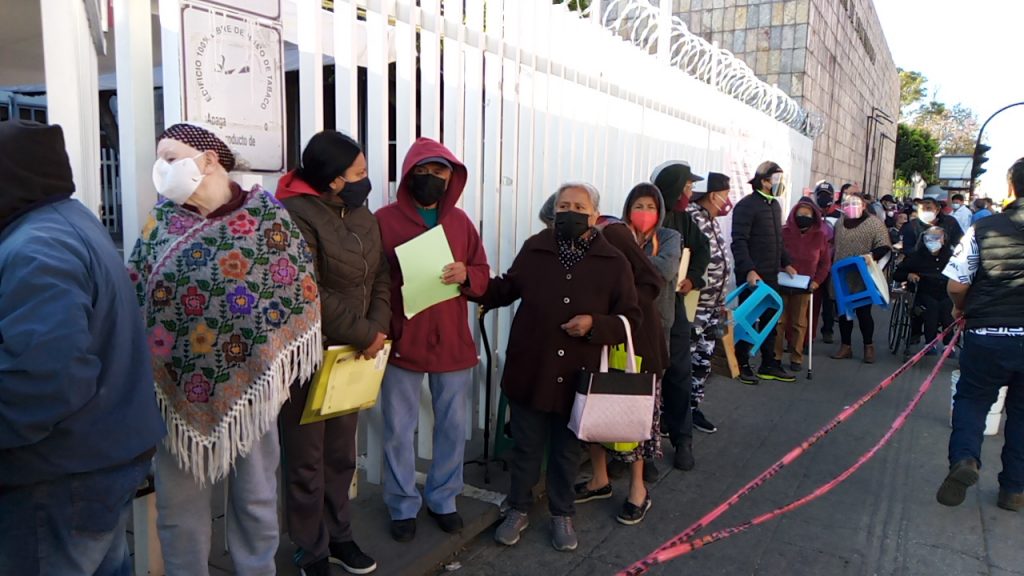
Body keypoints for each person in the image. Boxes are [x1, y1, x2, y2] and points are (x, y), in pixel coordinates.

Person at [128, 123, 323, 576]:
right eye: (159, 159)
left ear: (209, 160)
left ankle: (256, 570)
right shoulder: (161, 223)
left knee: (255, 497)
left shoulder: (267, 219)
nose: (163, 168)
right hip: (176, 390)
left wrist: (273, 358)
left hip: (252, 388)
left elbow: (297, 290)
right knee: (179, 507)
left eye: (171, 157)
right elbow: (138, 294)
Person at [0, 121, 164, 576]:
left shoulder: (36, 247)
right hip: (98, 456)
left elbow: (46, 382)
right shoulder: (66, 220)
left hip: (57, 474)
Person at [478, 182, 642, 551]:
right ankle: (518, 508)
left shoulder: (613, 261)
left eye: (579, 206)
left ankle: (561, 512)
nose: (570, 211)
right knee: (526, 446)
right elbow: (505, 290)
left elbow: (631, 317)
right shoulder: (536, 248)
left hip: (577, 376)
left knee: (567, 451)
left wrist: (595, 325)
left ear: (595, 215)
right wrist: (471, 283)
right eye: (563, 205)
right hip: (530, 369)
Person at [276, 131, 388, 575]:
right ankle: (310, 547)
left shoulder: (363, 215)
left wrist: (375, 328)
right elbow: (309, 289)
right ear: (334, 179)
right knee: (306, 459)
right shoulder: (293, 215)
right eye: (359, 173)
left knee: (341, 454)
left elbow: (379, 274)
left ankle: (340, 535)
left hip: (354, 352)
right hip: (308, 356)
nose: (367, 180)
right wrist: (363, 331)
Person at [376, 138, 490, 542]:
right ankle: (401, 504)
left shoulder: (460, 222)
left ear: (451, 177)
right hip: (403, 340)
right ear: (408, 175)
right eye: (422, 172)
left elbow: (483, 273)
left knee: (452, 424)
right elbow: (372, 281)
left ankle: (444, 497)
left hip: (453, 343)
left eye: (439, 172)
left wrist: (467, 275)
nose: (430, 179)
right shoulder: (383, 220)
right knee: (397, 428)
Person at [575, 183, 668, 525]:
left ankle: (638, 492)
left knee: (635, 418)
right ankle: (600, 479)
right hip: (600, 338)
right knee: (594, 407)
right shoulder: (576, 243)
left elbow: (652, 281)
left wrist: (619, 312)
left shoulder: (611, 233)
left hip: (636, 344)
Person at [937, 157, 1024, 513]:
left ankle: (966, 459)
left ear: (1011, 187)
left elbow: (957, 283)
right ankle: (1014, 491)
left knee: (973, 400)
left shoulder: (983, 229)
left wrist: (961, 308)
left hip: (988, 332)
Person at [650, 161, 711, 470]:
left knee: (679, 373)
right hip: (645, 308)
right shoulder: (646, 216)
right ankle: (643, 448)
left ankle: (682, 438)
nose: (690, 193)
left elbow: (703, 249)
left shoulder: (685, 221)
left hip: (674, 307)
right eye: (687, 187)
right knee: (646, 376)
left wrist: (694, 279)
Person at [730, 161, 799, 384]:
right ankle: (741, 363)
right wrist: (749, 270)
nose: (780, 184)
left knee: (771, 319)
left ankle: (769, 363)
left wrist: (786, 263)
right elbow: (739, 241)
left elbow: (778, 240)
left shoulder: (775, 205)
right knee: (748, 320)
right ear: (764, 181)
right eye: (776, 180)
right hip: (753, 277)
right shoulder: (746, 206)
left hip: (771, 274)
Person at [686, 172, 733, 433]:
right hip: (696, 306)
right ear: (713, 195)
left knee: (703, 361)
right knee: (687, 360)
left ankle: (693, 408)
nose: (727, 201)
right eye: (725, 195)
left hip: (713, 306)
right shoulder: (693, 219)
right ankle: (675, 413)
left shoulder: (712, 220)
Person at [829, 193, 892, 363]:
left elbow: (884, 247)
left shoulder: (874, 224)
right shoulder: (840, 223)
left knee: (864, 313)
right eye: (848, 203)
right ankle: (845, 346)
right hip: (842, 275)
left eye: (855, 203)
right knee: (843, 312)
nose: (851, 206)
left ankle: (868, 346)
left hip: (862, 275)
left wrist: (870, 255)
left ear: (864, 205)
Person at [776, 198, 831, 372]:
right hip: (782, 281)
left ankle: (796, 357)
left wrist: (817, 281)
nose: (803, 216)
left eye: (807, 214)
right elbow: (775, 254)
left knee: (799, 322)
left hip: (805, 285)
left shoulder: (819, 236)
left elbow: (825, 262)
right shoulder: (784, 232)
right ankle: (776, 355)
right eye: (800, 213)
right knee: (779, 321)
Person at [893, 226, 953, 356]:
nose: (933, 241)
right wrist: (908, 275)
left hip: (946, 292)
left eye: (937, 238)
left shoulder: (951, 256)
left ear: (944, 240)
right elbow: (897, 274)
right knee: (931, 307)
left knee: (948, 308)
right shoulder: (916, 256)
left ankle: (949, 345)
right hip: (923, 291)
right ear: (924, 239)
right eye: (930, 238)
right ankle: (930, 343)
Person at [815, 182, 839, 344]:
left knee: (829, 298)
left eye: (827, 194)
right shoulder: (812, 213)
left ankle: (828, 329)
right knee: (814, 298)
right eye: (821, 194)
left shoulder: (840, 216)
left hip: (833, 262)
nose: (824, 198)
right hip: (814, 263)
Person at [905, 185, 963, 251]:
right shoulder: (911, 226)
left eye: (928, 208)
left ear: (937, 210)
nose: (925, 211)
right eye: (922, 209)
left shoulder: (950, 222)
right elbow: (908, 249)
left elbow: (959, 242)